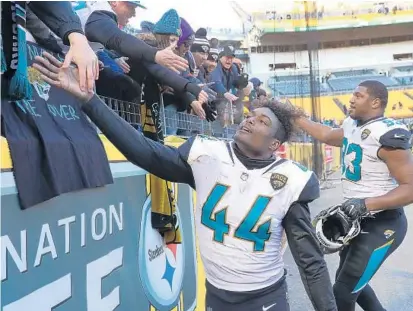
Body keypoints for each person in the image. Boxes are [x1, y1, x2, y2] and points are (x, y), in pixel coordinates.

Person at [33, 52, 338, 311]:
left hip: (264, 297)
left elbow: (310, 262)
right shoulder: (209, 155)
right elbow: (144, 152)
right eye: (251, 115)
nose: (249, 120)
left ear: (274, 144)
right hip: (217, 295)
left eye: (262, 122)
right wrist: (90, 101)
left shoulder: (290, 181)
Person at [294, 80, 413, 311]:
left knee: (343, 292)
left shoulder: (387, 134)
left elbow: (410, 187)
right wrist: (295, 118)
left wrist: (366, 204)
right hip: (354, 220)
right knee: (353, 286)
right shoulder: (352, 125)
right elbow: (328, 135)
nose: (351, 99)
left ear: (375, 102)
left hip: (383, 223)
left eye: (358, 96)